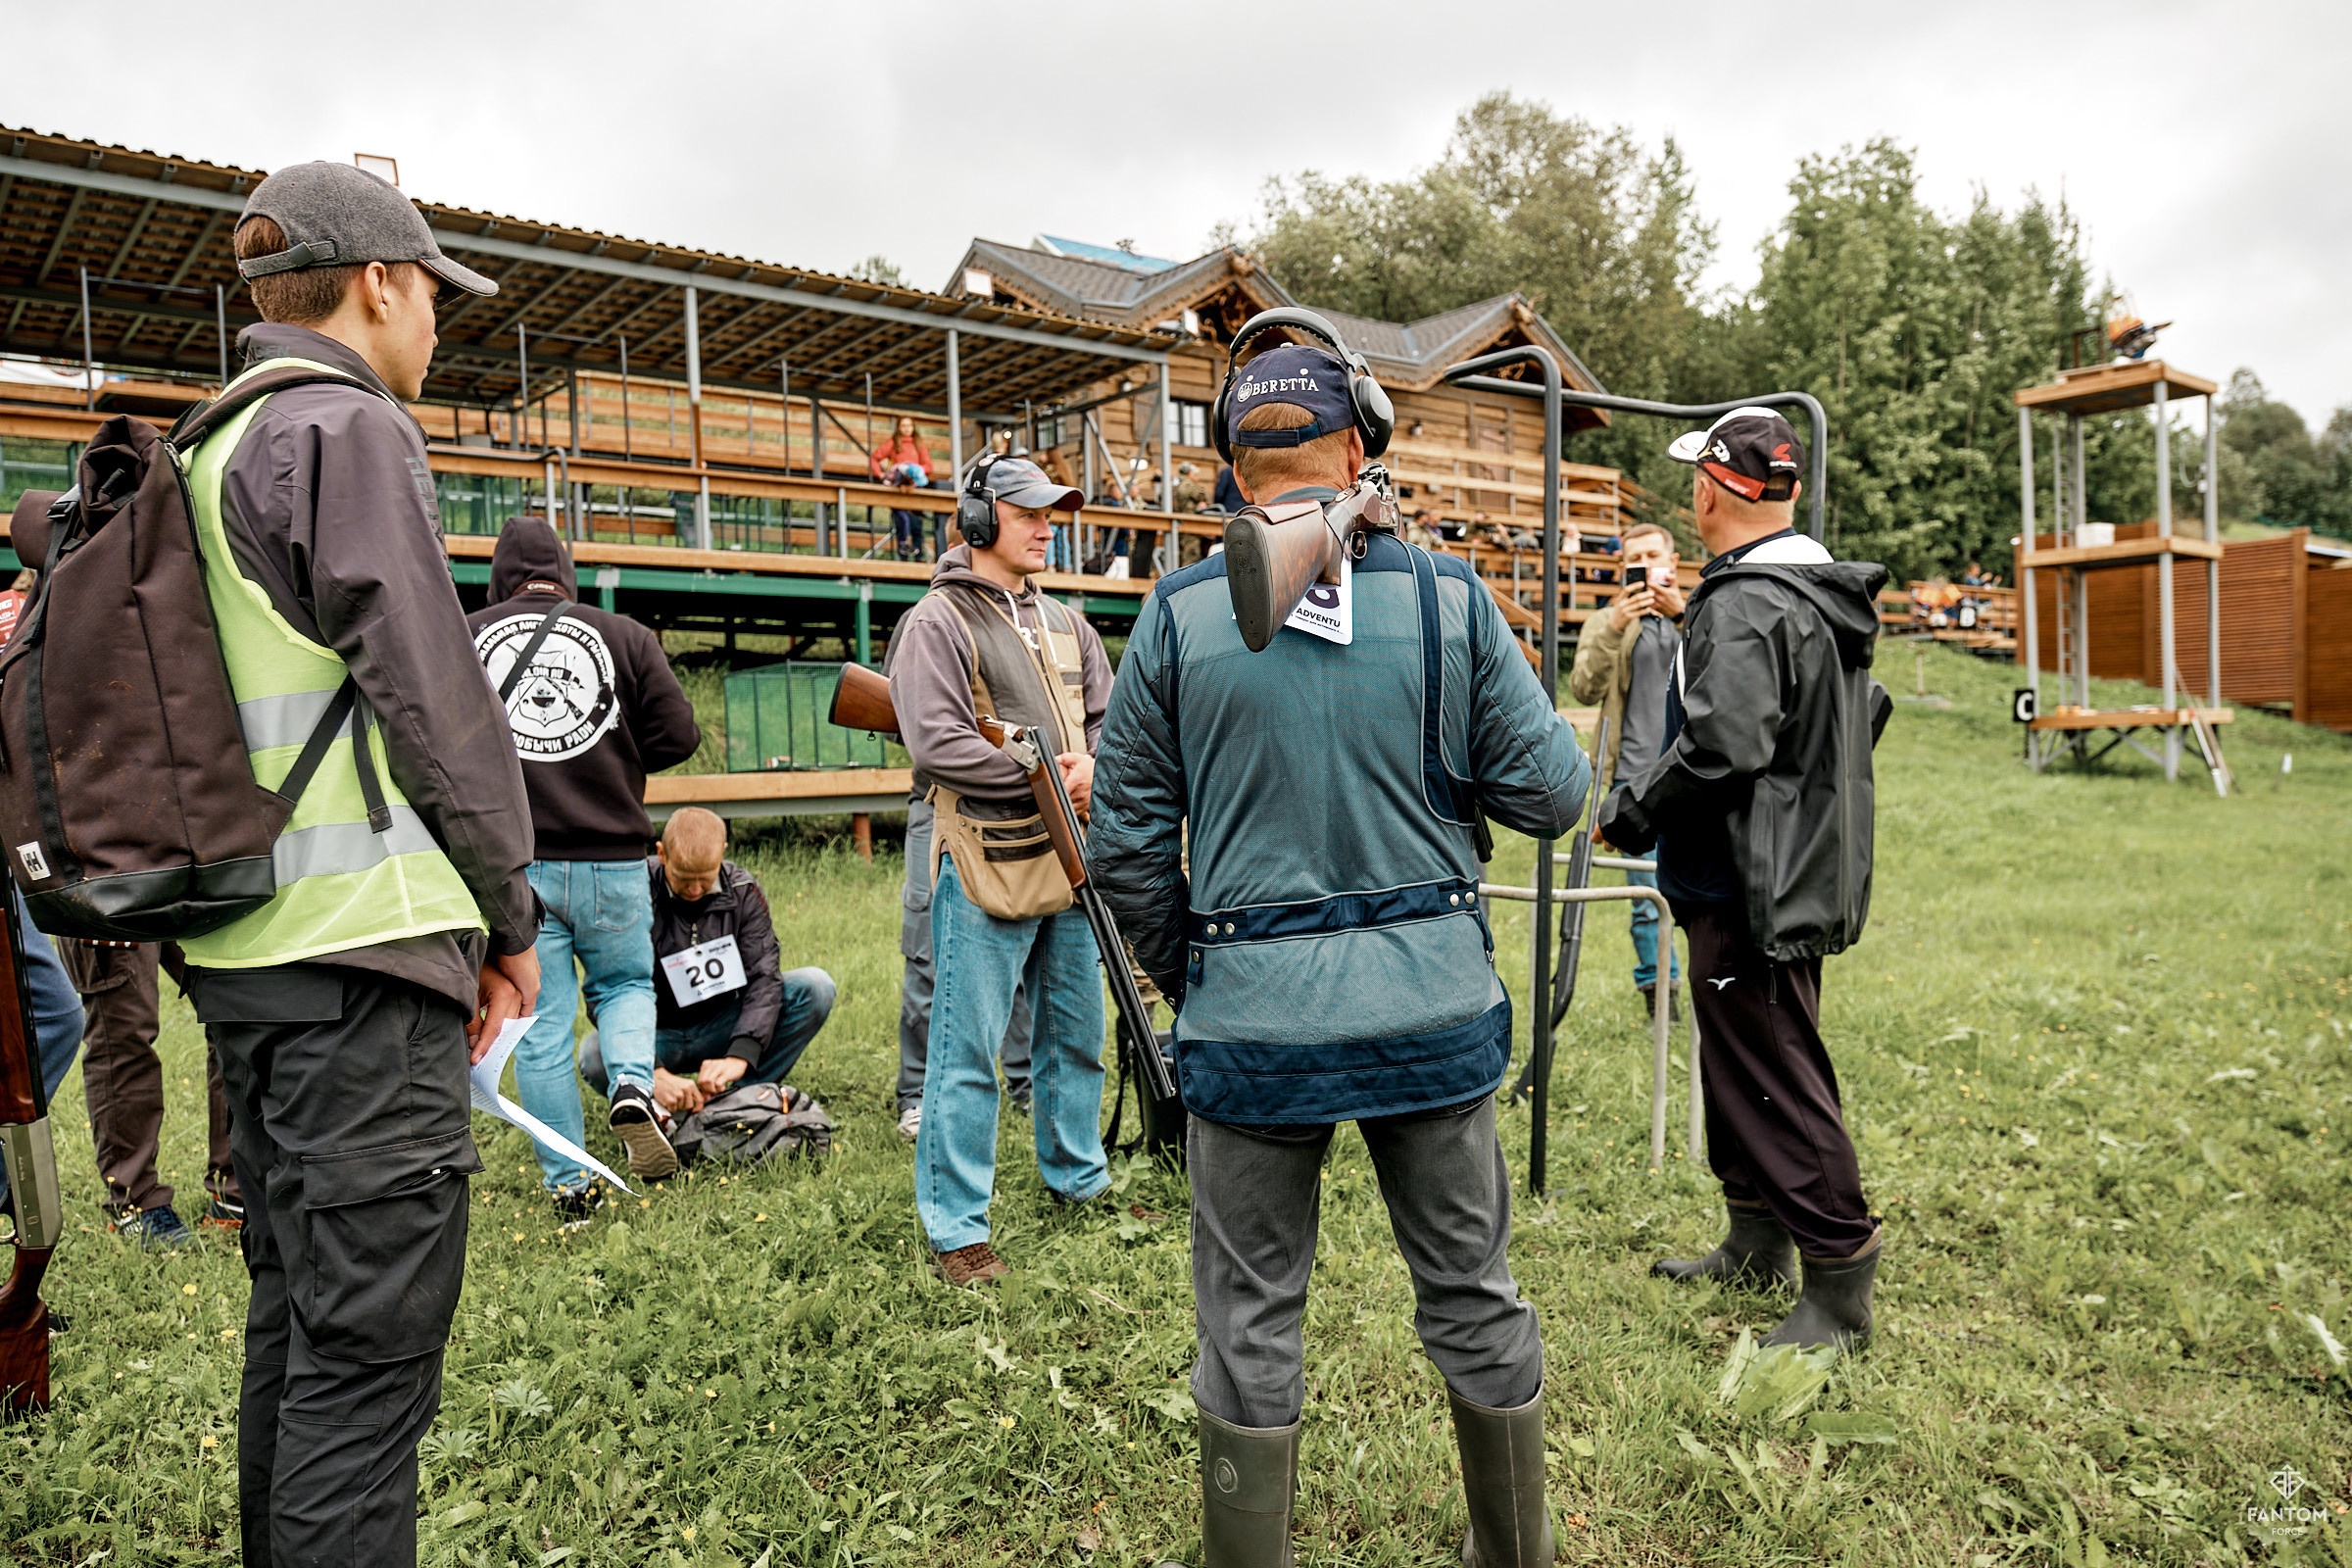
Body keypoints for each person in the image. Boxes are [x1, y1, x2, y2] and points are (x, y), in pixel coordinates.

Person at [1089, 320, 1590, 1568]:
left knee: (1248, 1321)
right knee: (1472, 1297)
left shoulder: (1177, 612)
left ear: (1232, 465)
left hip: (1250, 1029)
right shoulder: (1449, 595)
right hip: (1433, 1013)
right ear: (1359, 443)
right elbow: (1555, 794)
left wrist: (1203, 972)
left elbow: (1129, 848)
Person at [181, 161, 541, 1568]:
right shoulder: (342, 427)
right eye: (435, 291)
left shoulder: (210, 444)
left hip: (250, 962)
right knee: (370, 1366)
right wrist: (508, 914)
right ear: (379, 283)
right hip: (362, 966)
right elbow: (436, 701)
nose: (441, 320)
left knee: (300, 1329)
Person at [1596, 408, 1890, 1351]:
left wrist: (1632, 811)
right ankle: (1755, 1240)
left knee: (1772, 1070)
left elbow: (1723, 745)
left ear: (1710, 491)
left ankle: (1839, 1280)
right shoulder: (1811, 590)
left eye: (1696, 478)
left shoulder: (1748, 600)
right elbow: (1862, 714)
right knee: (1738, 1062)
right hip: (1783, 866)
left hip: (1748, 879)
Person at [890, 455, 1112, 1288]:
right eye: (1028, 514)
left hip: (1070, 855)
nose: (1046, 528)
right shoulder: (937, 621)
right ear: (980, 521)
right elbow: (938, 743)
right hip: (984, 855)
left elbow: (1108, 717)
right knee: (967, 1052)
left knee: (1077, 1038)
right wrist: (1047, 773)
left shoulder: (1069, 623)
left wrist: (1095, 766)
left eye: (1051, 514)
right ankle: (956, 1229)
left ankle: (1079, 1180)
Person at [469, 514, 702, 1201]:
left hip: (518, 869)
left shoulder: (468, 636)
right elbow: (679, 735)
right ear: (565, 574)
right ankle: (631, 1084)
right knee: (625, 986)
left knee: (539, 1024)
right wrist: (615, 757)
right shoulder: (625, 635)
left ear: (500, 579)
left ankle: (570, 1185)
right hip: (614, 859)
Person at [576, 808, 836, 1113]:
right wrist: (652, 1070)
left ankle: (736, 1102)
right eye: (684, 878)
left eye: (705, 878)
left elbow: (763, 978)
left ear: (722, 853)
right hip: (653, 1032)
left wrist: (741, 1052)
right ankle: (655, 1106)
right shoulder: (630, 891)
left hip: (722, 1025)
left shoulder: (743, 892)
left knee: (815, 987)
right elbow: (607, 985)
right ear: (661, 853)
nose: (695, 889)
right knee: (594, 1054)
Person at [1564, 521, 1686, 1017]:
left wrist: (1685, 616)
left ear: (1672, 563)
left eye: (1653, 556)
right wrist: (1615, 629)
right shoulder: (1605, 621)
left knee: (1698, 888)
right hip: (1633, 779)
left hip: (1692, 776)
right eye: (1634, 559)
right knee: (1645, 896)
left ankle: (1716, 985)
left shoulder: (1699, 614)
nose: (1644, 565)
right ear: (1622, 568)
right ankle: (1663, 998)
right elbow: (1583, 689)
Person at [60, 939, 242, 1248]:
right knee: (123, 1029)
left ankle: (236, 1188)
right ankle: (137, 1202)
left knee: (235, 1009)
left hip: (193, 904)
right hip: (110, 908)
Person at [891, 782, 1033, 1144]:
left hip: (1022, 803)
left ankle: (1027, 1088)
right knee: (927, 951)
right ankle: (918, 1097)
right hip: (938, 799)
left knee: (1018, 942)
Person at [871, 415, 936, 561]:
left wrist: (915, 471)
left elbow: (929, 466)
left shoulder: (918, 444)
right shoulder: (893, 443)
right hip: (898, 490)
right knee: (902, 523)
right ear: (899, 428)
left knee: (916, 525)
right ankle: (903, 558)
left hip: (914, 489)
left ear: (913, 428)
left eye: (910, 425)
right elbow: (875, 457)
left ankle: (918, 558)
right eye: (904, 426)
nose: (907, 429)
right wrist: (880, 474)